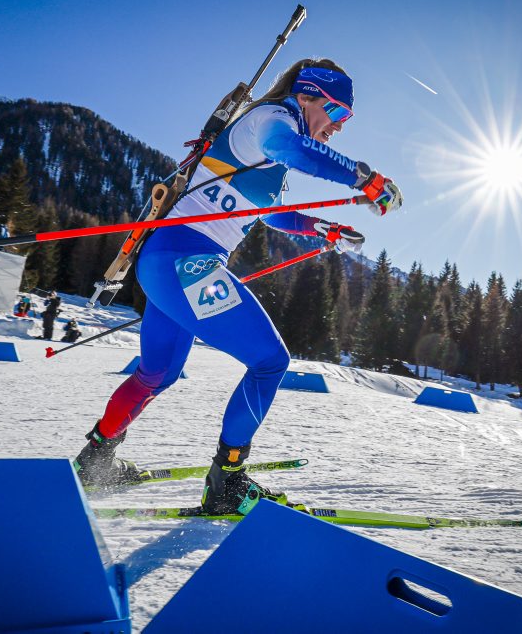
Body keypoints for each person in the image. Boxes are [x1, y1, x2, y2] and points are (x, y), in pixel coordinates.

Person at [73, 59, 403, 515]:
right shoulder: (272, 121)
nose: (339, 128)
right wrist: (363, 178)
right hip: (189, 261)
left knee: (158, 372)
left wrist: (322, 227)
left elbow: (272, 213)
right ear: (309, 96)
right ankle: (227, 481)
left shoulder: (266, 146)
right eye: (339, 114)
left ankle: (95, 462)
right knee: (270, 362)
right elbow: (292, 149)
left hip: (167, 264)